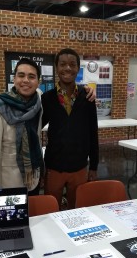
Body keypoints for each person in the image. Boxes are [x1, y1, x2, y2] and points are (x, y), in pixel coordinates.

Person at [42, 48, 99, 210]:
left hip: (79, 166)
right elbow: (36, 127)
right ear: (56, 68)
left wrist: (93, 165)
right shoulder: (47, 98)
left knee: (77, 210)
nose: (67, 68)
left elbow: (93, 132)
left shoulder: (87, 97)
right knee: (50, 209)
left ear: (78, 68)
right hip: (54, 167)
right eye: (63, 64)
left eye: (72, 65)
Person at [0, 58, 44, 195]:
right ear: (14, 79)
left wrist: (85, 90)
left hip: (34, 178)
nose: (26, 80)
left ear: (38, 82)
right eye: (21, 75)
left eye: (31, 76)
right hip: (10, 183)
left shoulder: (38, 101)